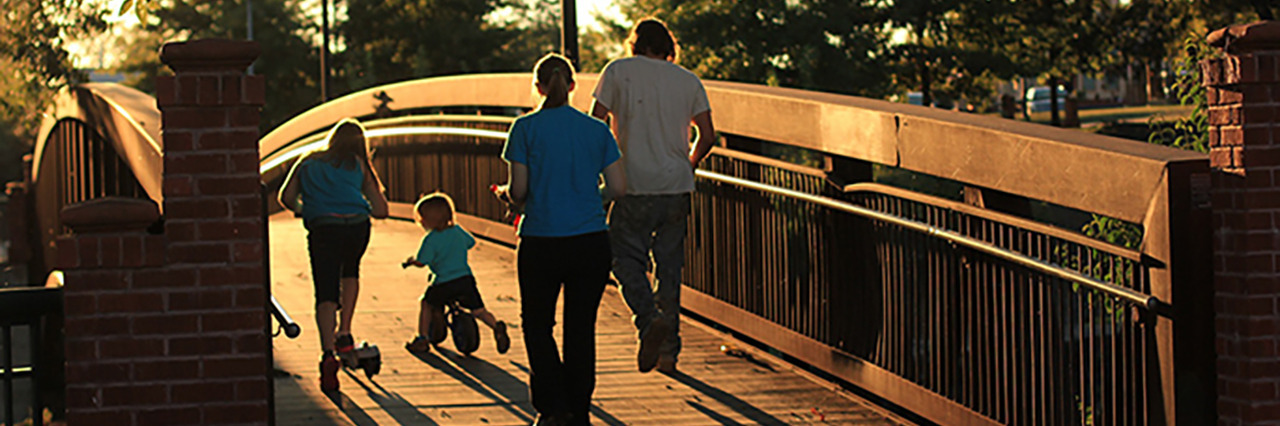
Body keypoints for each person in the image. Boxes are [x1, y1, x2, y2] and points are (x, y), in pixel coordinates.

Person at [496, 52, 626, 426]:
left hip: (541, 240)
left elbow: (519, 190)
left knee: (537, 324)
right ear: (572, 86)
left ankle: (553, 407)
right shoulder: (597, 130)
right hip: (590, 240)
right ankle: (579, 409)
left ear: (537, 86)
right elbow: (617, 187)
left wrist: (508, 196)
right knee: (580, 327)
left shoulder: (524, 129)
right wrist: (588, 199)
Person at [590, 17, 717, 375]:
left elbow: (595, 123)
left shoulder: (618, 71)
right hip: (676, 186)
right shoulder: (688, 80)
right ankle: (669, 355)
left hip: (633, 184)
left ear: (635, 44)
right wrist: (688, 165)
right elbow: (707, 135)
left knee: (623, 258)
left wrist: (605, 167)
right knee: (670, 268)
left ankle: (648, 319)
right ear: (669, 48)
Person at [277, 118, 390, 392]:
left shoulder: (307, 161)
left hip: (323, 227)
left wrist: (306, 208)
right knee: (350, 271)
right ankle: (345, 331)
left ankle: (328, 353)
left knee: (325, 290)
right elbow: (381, 210)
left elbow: (285, 197)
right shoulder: (358, 164)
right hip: (356, 226)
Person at [402, 191, 510, 355]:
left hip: (443, 282)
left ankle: (422, 338)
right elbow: (471, 242)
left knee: (426, 303)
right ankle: (496, 326)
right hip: (465, 280)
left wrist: (411, 262)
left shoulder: (431, 239)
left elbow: (422, 261)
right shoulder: (457, 230)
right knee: (478, 310)